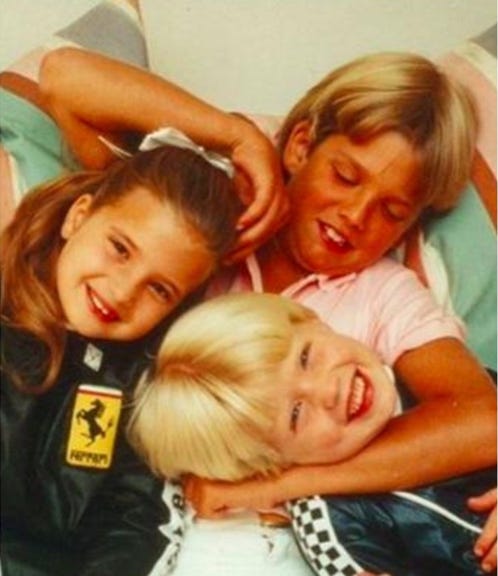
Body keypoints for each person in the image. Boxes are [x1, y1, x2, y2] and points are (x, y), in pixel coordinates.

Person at [37, 48, 497, 573]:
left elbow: (483, 422)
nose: (355, 215)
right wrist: (240, 139)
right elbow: (63, 77)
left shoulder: (384, 293)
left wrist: (284, 483)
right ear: (300, 145)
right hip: (123, 511)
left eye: (392, 211)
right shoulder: (213, 219)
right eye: (345, 176)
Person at [0, 136, 245, 576]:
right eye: (120, 249)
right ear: (78, 217)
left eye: (160, 289)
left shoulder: (140, 385)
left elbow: (133, 518)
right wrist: (240, 138)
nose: (123, 291)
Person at [127, 291, 496, 576]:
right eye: (295, 415)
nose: (329, 391)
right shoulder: (331, 528)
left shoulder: (424, 380)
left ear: (310, 318)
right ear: (272, 464)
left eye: (305, 357)